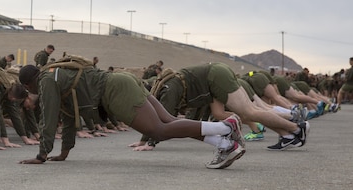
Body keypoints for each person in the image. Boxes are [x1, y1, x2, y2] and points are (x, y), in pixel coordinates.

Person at [18, 64, 248, 170]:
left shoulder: (45, 82)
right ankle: (225, 143)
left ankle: (225, 128)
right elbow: (68, 116)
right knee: (169, 122)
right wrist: (63, 153)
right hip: (121, 81)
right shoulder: (55, 74)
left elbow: (48, 117)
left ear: (29, 83)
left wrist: (41, 155)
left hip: (115, 91)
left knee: (156, 131)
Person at [132, 63, 308, 152]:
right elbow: (195, 114)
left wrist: (149, 142)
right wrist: (143, 140)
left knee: (249, 112)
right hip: (211, 81)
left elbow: (163, 119)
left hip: (215, 77)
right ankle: (287, 135)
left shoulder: (168, 90)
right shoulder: (168, 86)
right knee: (220, 113)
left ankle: (295, 127)